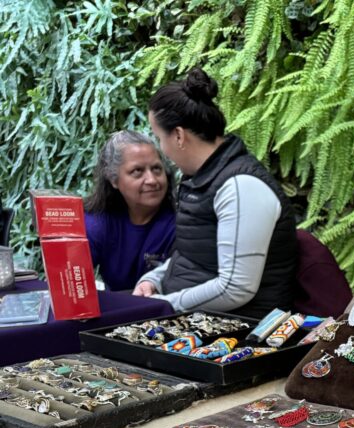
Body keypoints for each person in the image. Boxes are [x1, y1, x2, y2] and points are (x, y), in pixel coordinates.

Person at [133, 67, 297, 317]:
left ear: (178, 135)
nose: (162, 150)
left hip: (235, 331)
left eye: (159, 138)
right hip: (188, 315)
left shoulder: (242, 187)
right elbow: (193, 254)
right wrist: (153, 280)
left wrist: (166, 304)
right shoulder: (200, 178)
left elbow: (236, 287)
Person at [84, 131, 176, 291]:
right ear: (113, 179)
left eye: (156, 169)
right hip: (117, 309)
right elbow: (71, 282)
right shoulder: (97, 222)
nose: (152, 180)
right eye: (137, 171)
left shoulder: (182, 221)